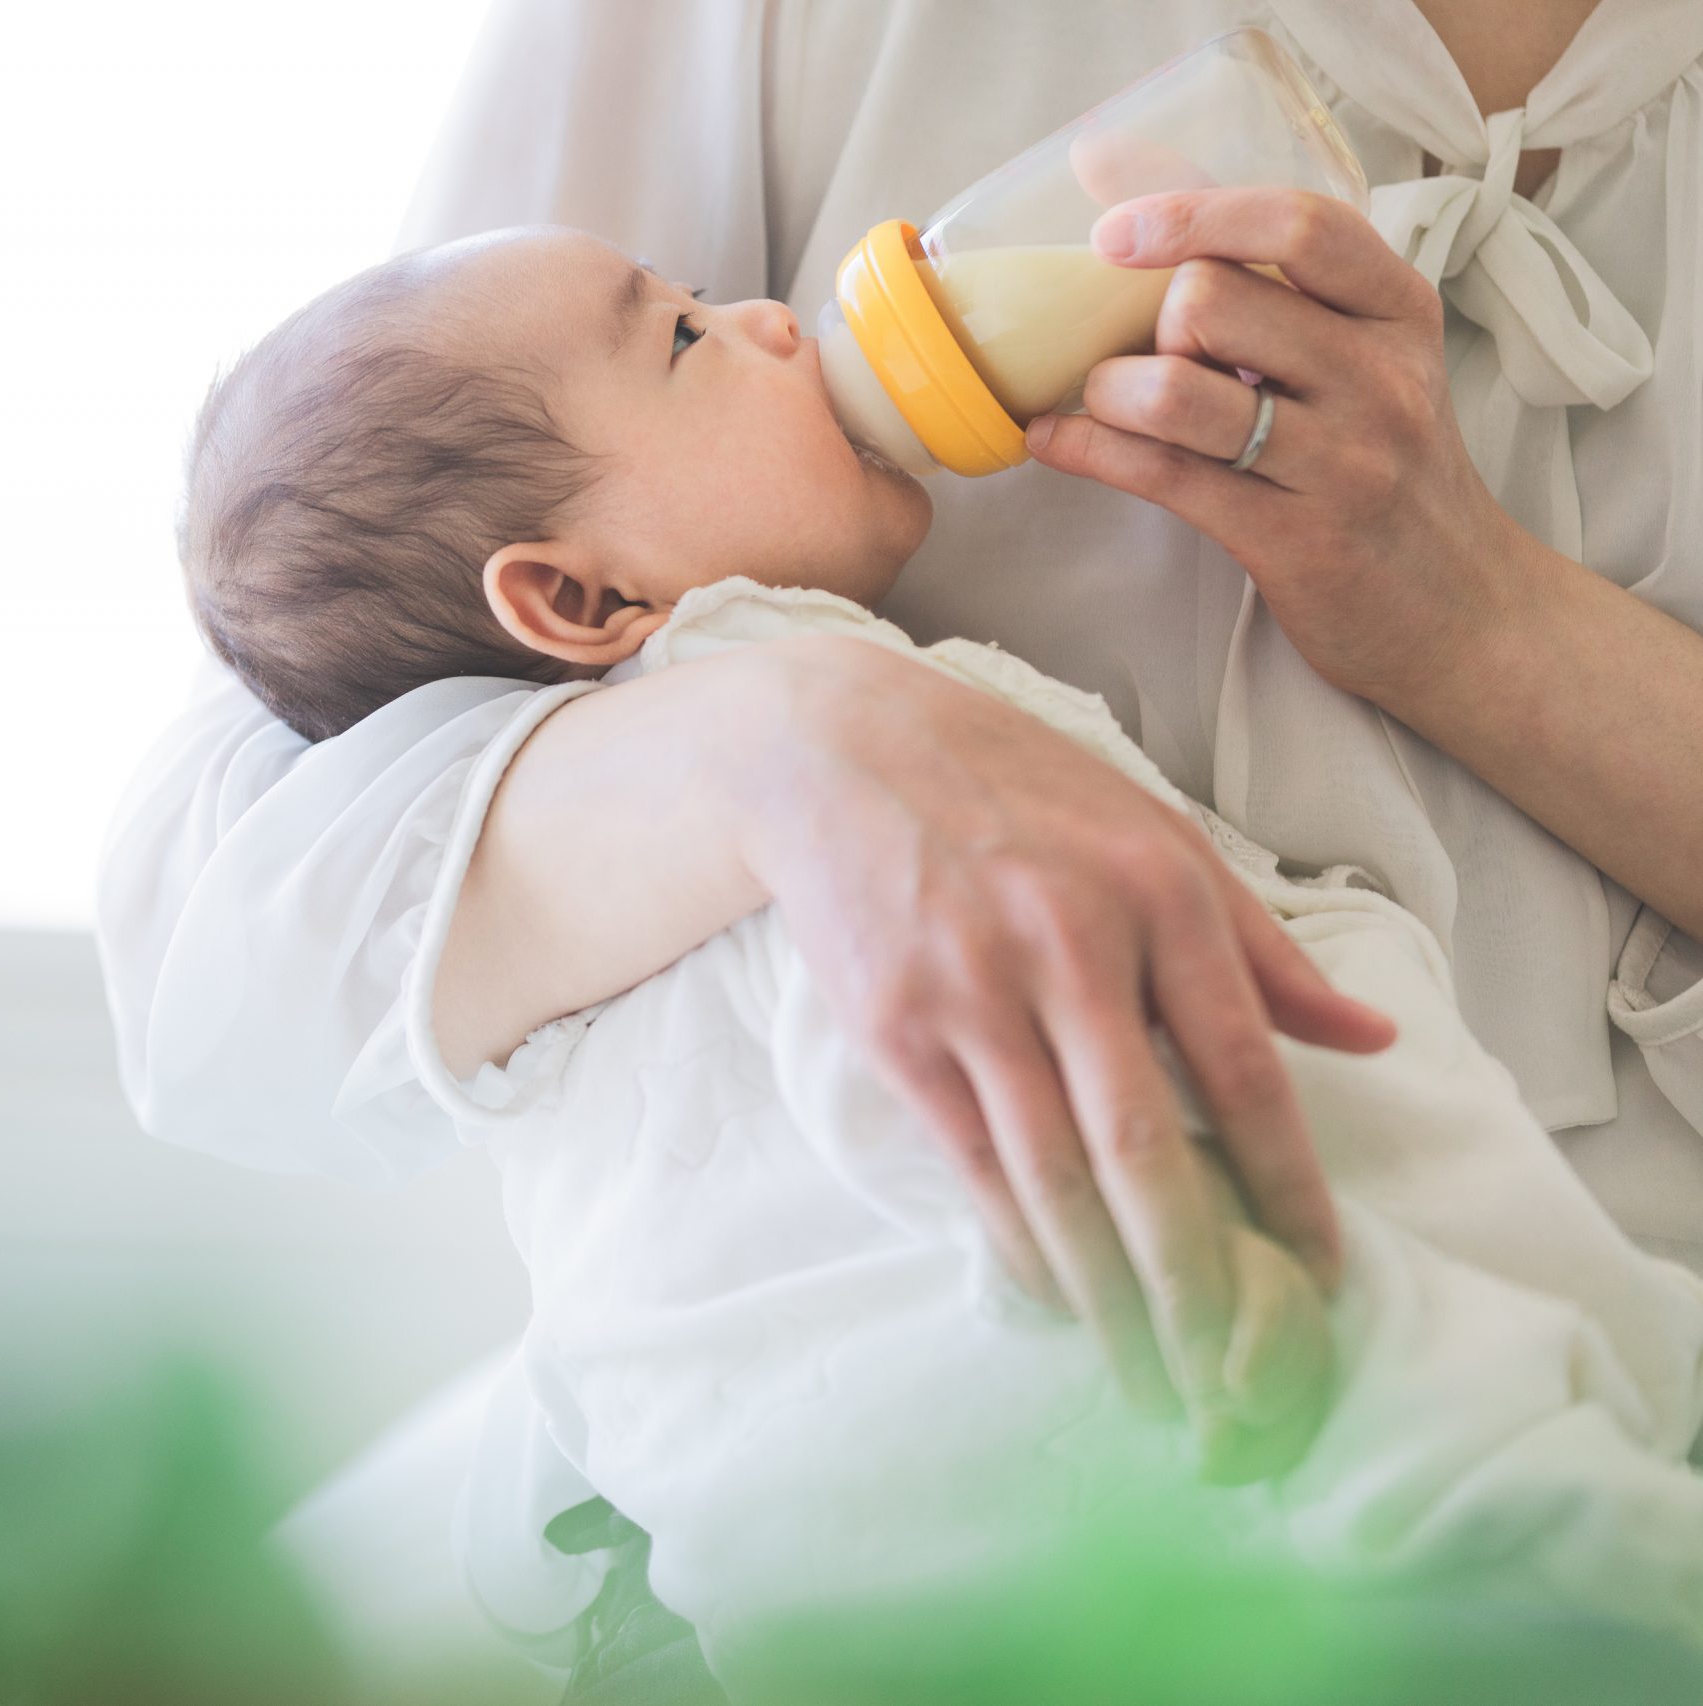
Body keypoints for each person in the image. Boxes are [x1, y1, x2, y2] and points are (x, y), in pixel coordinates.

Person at [98, 0, 1703, 1689]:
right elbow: (226, 915)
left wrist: (1478, 621)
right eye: (691, 337)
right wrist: (792, 743)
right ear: (576, 601)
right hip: (1234, 1473)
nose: (777, 320)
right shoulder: (743, 763)